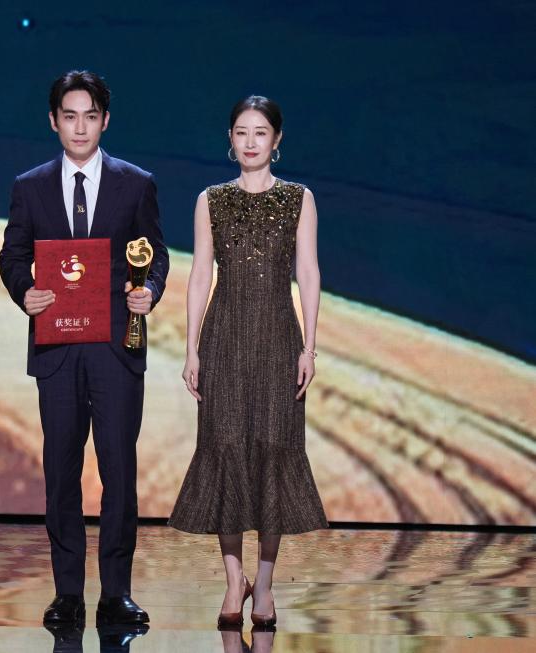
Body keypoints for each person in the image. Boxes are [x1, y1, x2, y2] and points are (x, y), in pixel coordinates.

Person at [0, 70, 169, 627]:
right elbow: (11, 256)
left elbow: (156, 254)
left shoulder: (135, 184)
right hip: (58, 347)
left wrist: (149, 291)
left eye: (89, 117)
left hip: (116, 347)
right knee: (61, 471)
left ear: (105, 121)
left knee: (119, 471)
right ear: (53, 121)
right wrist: (24, 291)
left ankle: (116, 592)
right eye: (69, 116)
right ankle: (67, 591)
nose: (79, 127)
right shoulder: (30, 187)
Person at [168, 95, 329, 629]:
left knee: (274, 453)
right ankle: (233, 579)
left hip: (279, 339)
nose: (251, 141)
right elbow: (200, 275)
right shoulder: (210, 199)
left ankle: (264, 582)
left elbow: (308, 272)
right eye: (242, 132)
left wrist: (309, 347)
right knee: (227, 451)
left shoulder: (299, 198)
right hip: (225, 339)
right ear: (230, 139)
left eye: (261, 132)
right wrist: (191, 348)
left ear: (276, 140)